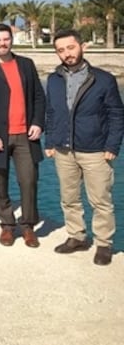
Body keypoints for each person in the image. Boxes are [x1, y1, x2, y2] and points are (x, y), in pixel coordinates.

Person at [45, 29, 124, 266]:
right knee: (69, 198)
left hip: (95, 150)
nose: (67, 54)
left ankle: (103, 244)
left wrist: (112, 145)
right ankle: (76, 236)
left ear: (82, 47)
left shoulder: (103, 79)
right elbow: (51, 112)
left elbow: (116, 114)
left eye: (70, 47)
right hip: (63, 149)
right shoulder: (54, 79)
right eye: (61, 50)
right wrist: (50, 141)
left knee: (100, 200)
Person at [0, 23, 45, 248]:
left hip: (26, 135)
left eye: (6, 39)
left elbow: (38, 97)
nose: (3, 43)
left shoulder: (26, 64)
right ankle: (6, 225)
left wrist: (38, 123)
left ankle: (28, 226)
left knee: (29, 180)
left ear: (11, 39)